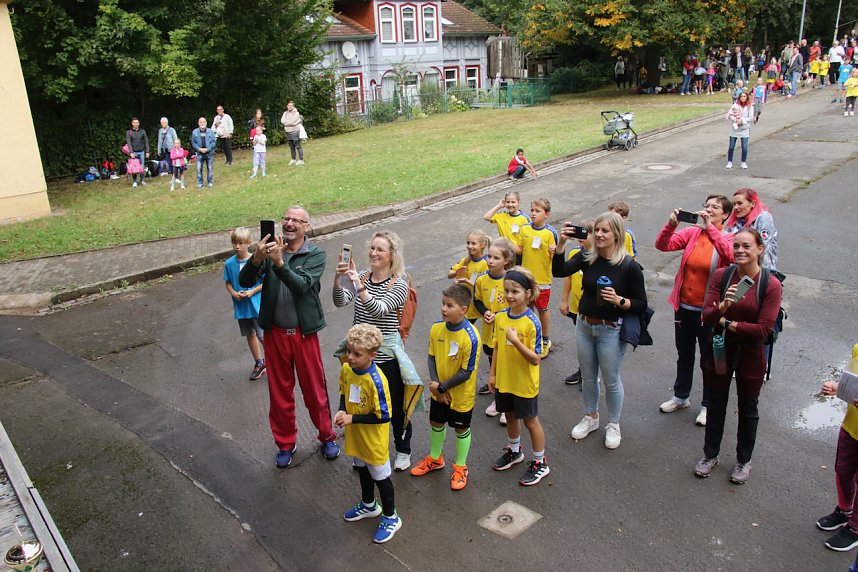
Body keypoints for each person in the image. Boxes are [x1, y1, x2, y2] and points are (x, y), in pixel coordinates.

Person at [239, 206, 340, 467]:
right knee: (280, 393)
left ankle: (327, 436)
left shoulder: (315, 254)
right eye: (286, 218)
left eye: (297, 220)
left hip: (304, 335)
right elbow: (244, 280)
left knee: (314, 390)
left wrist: (279, 263)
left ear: (307, 226)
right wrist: (257, 258)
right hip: (275, 335)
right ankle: (285, 444)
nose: (290, 223)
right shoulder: (271, 251)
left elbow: (302, 285)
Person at [693, 228, 783, 484]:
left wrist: (725, 322)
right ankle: (710, 456)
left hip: (751, 354)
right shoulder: (722, 276)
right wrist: (723, 307)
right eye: (736, 246)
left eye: (746, 246)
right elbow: (706, 315)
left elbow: (762, 331)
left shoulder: (770, 284)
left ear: (760, 249)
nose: (740, 251)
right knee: (716, 402)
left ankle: (744, 461)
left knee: (748, 407)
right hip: (721, 347)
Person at [554, 212, 647, 449]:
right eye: (597, 230)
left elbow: (641, 303)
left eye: (605, 230)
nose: (599, 235)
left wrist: (619, 301)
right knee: (588, 376)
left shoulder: (629, 266)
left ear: (617, 234)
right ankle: (591, 417)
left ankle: (614, 424)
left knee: (611, 380)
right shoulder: (588, 257)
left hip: (611, 331)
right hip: (584, 325)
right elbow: (559, 271)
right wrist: (561, 244)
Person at [333, 230, 419, 472]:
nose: (373, 253)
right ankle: (363, 451)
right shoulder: (362, 276)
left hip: (385, 358)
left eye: (380, 249)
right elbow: (340, 301)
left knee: (394, 408)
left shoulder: (399, 284)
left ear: (392, 255)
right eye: (372, 248)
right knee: (360, 405)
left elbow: (379, 310)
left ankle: (403, 449)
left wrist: (359, 285)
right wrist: (338, 279)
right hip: (359, 358)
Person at [655, 197, 734, 426]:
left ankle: (708, 404)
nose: (708, 210)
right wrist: (671, 224)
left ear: (725, 215)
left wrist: (710, 229)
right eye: (707, 206)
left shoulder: (727, 237)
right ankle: (681, 396)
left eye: (715, 208)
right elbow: (663, 245)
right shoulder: (692, 233)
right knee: (685, 354)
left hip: (709, 312)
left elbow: (729, 255)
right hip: (684, 307)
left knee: (708, 360)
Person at [334, 324, 402, 544]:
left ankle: (391, 517)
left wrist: (351, 418)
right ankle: (368, 504)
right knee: (361, 469)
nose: (350, 357)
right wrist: (342, 409)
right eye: (349, 351)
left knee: (380, 477)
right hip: (356, 436)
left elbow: (384, 416)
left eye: (356, 354)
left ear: (372, 355)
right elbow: (344, 392)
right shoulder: (346, 369)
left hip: (373, 441)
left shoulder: (377, 381)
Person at [410, 283, 480, 491]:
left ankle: (461, 467)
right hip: (438, 390)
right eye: (443, 304)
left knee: (461, 427)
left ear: (463, 309)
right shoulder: (436, 328)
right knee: (436, 421)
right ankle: (435, 458)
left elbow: (466, 372)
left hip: (460, 394)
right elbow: (431, 357)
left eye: (449, 305)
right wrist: (435, 387)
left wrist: (442, 388)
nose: (443, 309)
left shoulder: (471, 336)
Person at [488, 266, 550, 486]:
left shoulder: (532, 322)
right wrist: (493, 375)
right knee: (510, 415)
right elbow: (495, 347)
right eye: (506, 290)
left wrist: (515, 342)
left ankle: (540, 462)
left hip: (524, 383)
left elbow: (535, 358)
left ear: (528, 294)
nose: (509, 295)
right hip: (506, 379)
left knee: (530, 421)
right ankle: (515, 451)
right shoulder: (501, 317)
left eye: (515, 291)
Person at [818, 348, 858, 552]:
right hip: (852, 425)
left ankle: (855, 529)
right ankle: (844, 511)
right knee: (843, 470)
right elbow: (853, 381)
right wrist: (837, 388)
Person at [475, 238, 516, 421]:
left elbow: (517, 304)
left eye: (496, 258)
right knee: (493, 362)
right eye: (489, 256)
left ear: (506, 260)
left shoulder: (511, 280)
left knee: (506, 364)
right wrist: (485, 313)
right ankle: (498, 397)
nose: (490, 261)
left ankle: (508, 403)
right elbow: (477, 300)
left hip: (507, 332)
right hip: (488, 332)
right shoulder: (482, 279)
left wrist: (500, 315)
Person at [513, 198, 557, 358]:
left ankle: (545, 341)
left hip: (542, 281)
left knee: (542, 310)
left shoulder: (550, 233)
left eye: (537, 211)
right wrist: (506, 244)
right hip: (526, 279)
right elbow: (519, 249)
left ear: (546, 214)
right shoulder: (524, 229)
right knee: (528, 309)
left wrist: (554, 250)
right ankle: (531, 338)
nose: (533, 213)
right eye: (532, 210)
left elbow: (555, 257)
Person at [224, 228, 265, 380]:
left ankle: (275, 362)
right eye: (234, 243)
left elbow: (265, 282)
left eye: (240, 243)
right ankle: (259, 362)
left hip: (256, 305)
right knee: (250, 334)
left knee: (262, 335)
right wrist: (234, 293)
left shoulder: (256, 261)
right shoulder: (229, 264)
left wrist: (252, 292)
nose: (237, 247)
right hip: (241, 307)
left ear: (249, 243)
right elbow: (228, 282)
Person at [559, 218, 594, 386]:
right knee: (583, 345)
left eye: (586, 233)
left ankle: (592, 376)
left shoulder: (601, 256)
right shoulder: (575, 254)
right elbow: (567, 278)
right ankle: (583, 371)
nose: (581, 236)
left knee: (594, 346)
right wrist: (564, 300)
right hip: (576, 308)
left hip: (593, 312)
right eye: (580, 232)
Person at [724, 188, 778, 272]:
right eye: (734, 204)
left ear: (752, 203)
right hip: (738, 270)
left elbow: (763, 246)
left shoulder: (763, 218)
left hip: (761, 270)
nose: (736, 207)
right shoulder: (734, 222)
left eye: (739, 203)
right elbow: (727, 245)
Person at [447, 229, 490, 324]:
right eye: (468, 243)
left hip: (476, 304)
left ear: (483, 245)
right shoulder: (465, 260)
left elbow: (484, 288)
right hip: (465, 302)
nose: (470, 246)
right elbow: (449, 275)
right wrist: (455, 273)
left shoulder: (485, 263)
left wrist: (466, 281)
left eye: (473, 243)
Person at [484, 191, 531, 264]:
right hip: (504, 252)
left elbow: (529, 236)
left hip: (517, 253)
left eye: (513, 202)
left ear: (518, 202)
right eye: (508, 202)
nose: (510, 204)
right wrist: (499, 206)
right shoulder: (501, 215)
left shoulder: (524, 218)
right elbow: (486, 217)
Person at [726, 91, 753, 170]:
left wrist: (742, 121)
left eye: (744, 96)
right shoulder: (735, 105)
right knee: (731, 146)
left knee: (744, 147)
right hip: (735, 129)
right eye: (741, 96)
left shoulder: (750, 106)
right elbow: (730, 115)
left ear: (747, 97)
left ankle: (743, 162)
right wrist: (736, 120)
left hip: (744, 128)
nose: (743, 98)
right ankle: (729, 162)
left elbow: (750, 117)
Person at [191, 117, 216, 188]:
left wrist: (208, 149)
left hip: (209, 153)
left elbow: (214, 142)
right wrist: (199, 149)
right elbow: (193, 143)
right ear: (198, 123)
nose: (202, 123)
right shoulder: (194, 132)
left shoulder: (211, 131)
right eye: (201, 122)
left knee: (210, 169)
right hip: (199, 154)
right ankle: (200, 184)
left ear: (206, 123)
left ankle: (210, 183)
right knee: (199, 169)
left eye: (204, 122)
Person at [125, 117, 149, 188]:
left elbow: (146, 141)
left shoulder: (142, 131)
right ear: (132, 123)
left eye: (137, 123)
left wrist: (147, 151)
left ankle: (142, 180)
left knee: (141, 167)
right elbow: (128, 143)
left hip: (141, 152)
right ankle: (134, 181)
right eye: (134, 123)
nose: (135, 124)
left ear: (139, 123)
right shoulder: (129, 132)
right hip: (134, 152)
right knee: (134, 168)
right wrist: (131, 152)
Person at [280, 100, 305, 165]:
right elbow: (282, 121)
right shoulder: (285, 113)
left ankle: (301, 160)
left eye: (291, 105)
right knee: (291, 147)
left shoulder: (296, 113)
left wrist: (287, 123)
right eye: (288, 105)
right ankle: (293, 159)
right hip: (288, 132)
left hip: (295, 131)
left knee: (298, 146)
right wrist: (289, 123)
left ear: (293, 106)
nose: (289, 107)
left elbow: (292, 122)